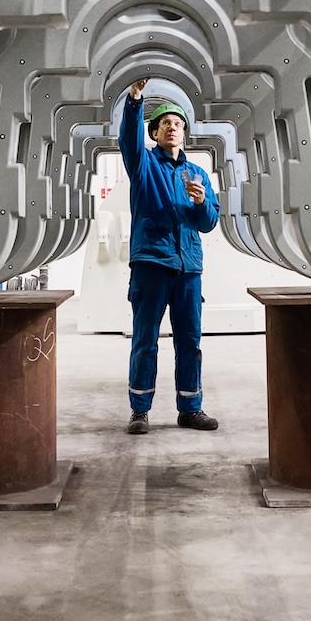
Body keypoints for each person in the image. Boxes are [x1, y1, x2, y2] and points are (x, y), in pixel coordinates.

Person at [120, 77, 221, 435]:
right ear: (154, 132)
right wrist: (135, 100)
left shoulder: (197, 174)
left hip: (188, 268)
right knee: (145, 340)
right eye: (165, 123)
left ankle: (190, 409)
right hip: (152, 263)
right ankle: (139, 410)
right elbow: (129, 142)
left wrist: (201, 202)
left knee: (190, 342)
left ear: (184, 133)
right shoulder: (144, 165)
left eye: (178, 124)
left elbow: (209, 222)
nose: (173, 128)